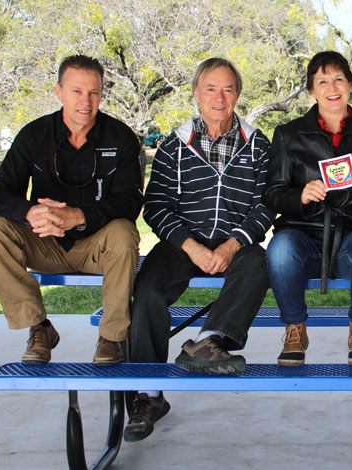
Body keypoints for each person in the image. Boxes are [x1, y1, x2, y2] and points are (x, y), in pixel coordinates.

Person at [125, 58, 273, 441]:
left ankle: (209, 341)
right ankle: (148, 396)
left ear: (237, 95)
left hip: (234, 243)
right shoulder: (175, 145)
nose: (219, 97)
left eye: (227, 89)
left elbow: (265, 204)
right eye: (210, 88)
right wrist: (191, 247)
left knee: (259, 262)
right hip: (183, 243)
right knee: (148, 291)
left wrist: (230, 245)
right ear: (196, 93)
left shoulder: (257, 145)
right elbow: (155, 205)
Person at [0, 54, 142, 367]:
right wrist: (30, 213)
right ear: (59, 92)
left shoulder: (120, 137)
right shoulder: (33, 135)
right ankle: (38, 328)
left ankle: (111, 338)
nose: (86, 101)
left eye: (94, 92)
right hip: (45, 243)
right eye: (77, 91)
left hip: (99, 248)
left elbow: (131, 202)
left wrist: (79, 215)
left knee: (124, 231)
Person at [263, 51, 352, 367]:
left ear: (350, 84)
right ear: (311, 90)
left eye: (339, 79)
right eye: (322, 81)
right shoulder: (288, 134)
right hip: (301, 232)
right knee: (279, 249)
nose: (332, 88)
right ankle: (295, 328)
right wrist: (301, 195)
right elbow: (272, 194)